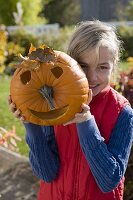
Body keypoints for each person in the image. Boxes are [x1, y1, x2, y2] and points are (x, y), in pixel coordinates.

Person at [8, 20, 133, 200]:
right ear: (70, 64)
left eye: (102, 67)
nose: (92, 77)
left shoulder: (122, 113)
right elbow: (47, 173)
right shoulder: (53, 105)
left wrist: (86, 124)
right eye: (83, 66)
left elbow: (109, 181)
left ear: (114, 66)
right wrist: (31, 123)